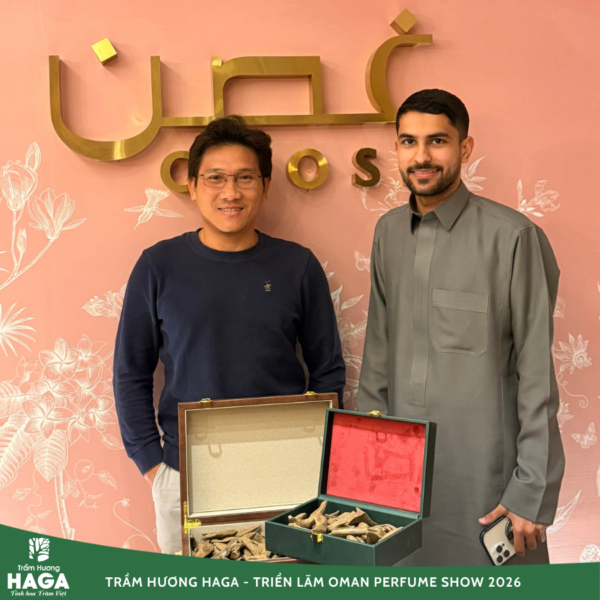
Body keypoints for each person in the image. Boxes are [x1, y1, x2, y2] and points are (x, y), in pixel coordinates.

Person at [113, 116, 346, 554]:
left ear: (265, 185)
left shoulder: (297, 266)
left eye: (245, 178)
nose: (230, 192)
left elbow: (328, 371)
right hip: (186, 475)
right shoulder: (158, 266)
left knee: (286, 582)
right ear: (193, 186)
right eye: (215, 178)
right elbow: (130, 372)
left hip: (285, 474)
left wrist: (319, 462)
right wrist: (153, 465)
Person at [357, 89, 564, 566]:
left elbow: (536, 373)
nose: (421, 156)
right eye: (408, 142)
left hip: (488, 480)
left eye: (437, 141)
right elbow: (377, 358)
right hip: (401, 480)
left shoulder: (513, 237)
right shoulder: (388, 232)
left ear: (465, 148)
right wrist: (368, 467)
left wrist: (531, 490)